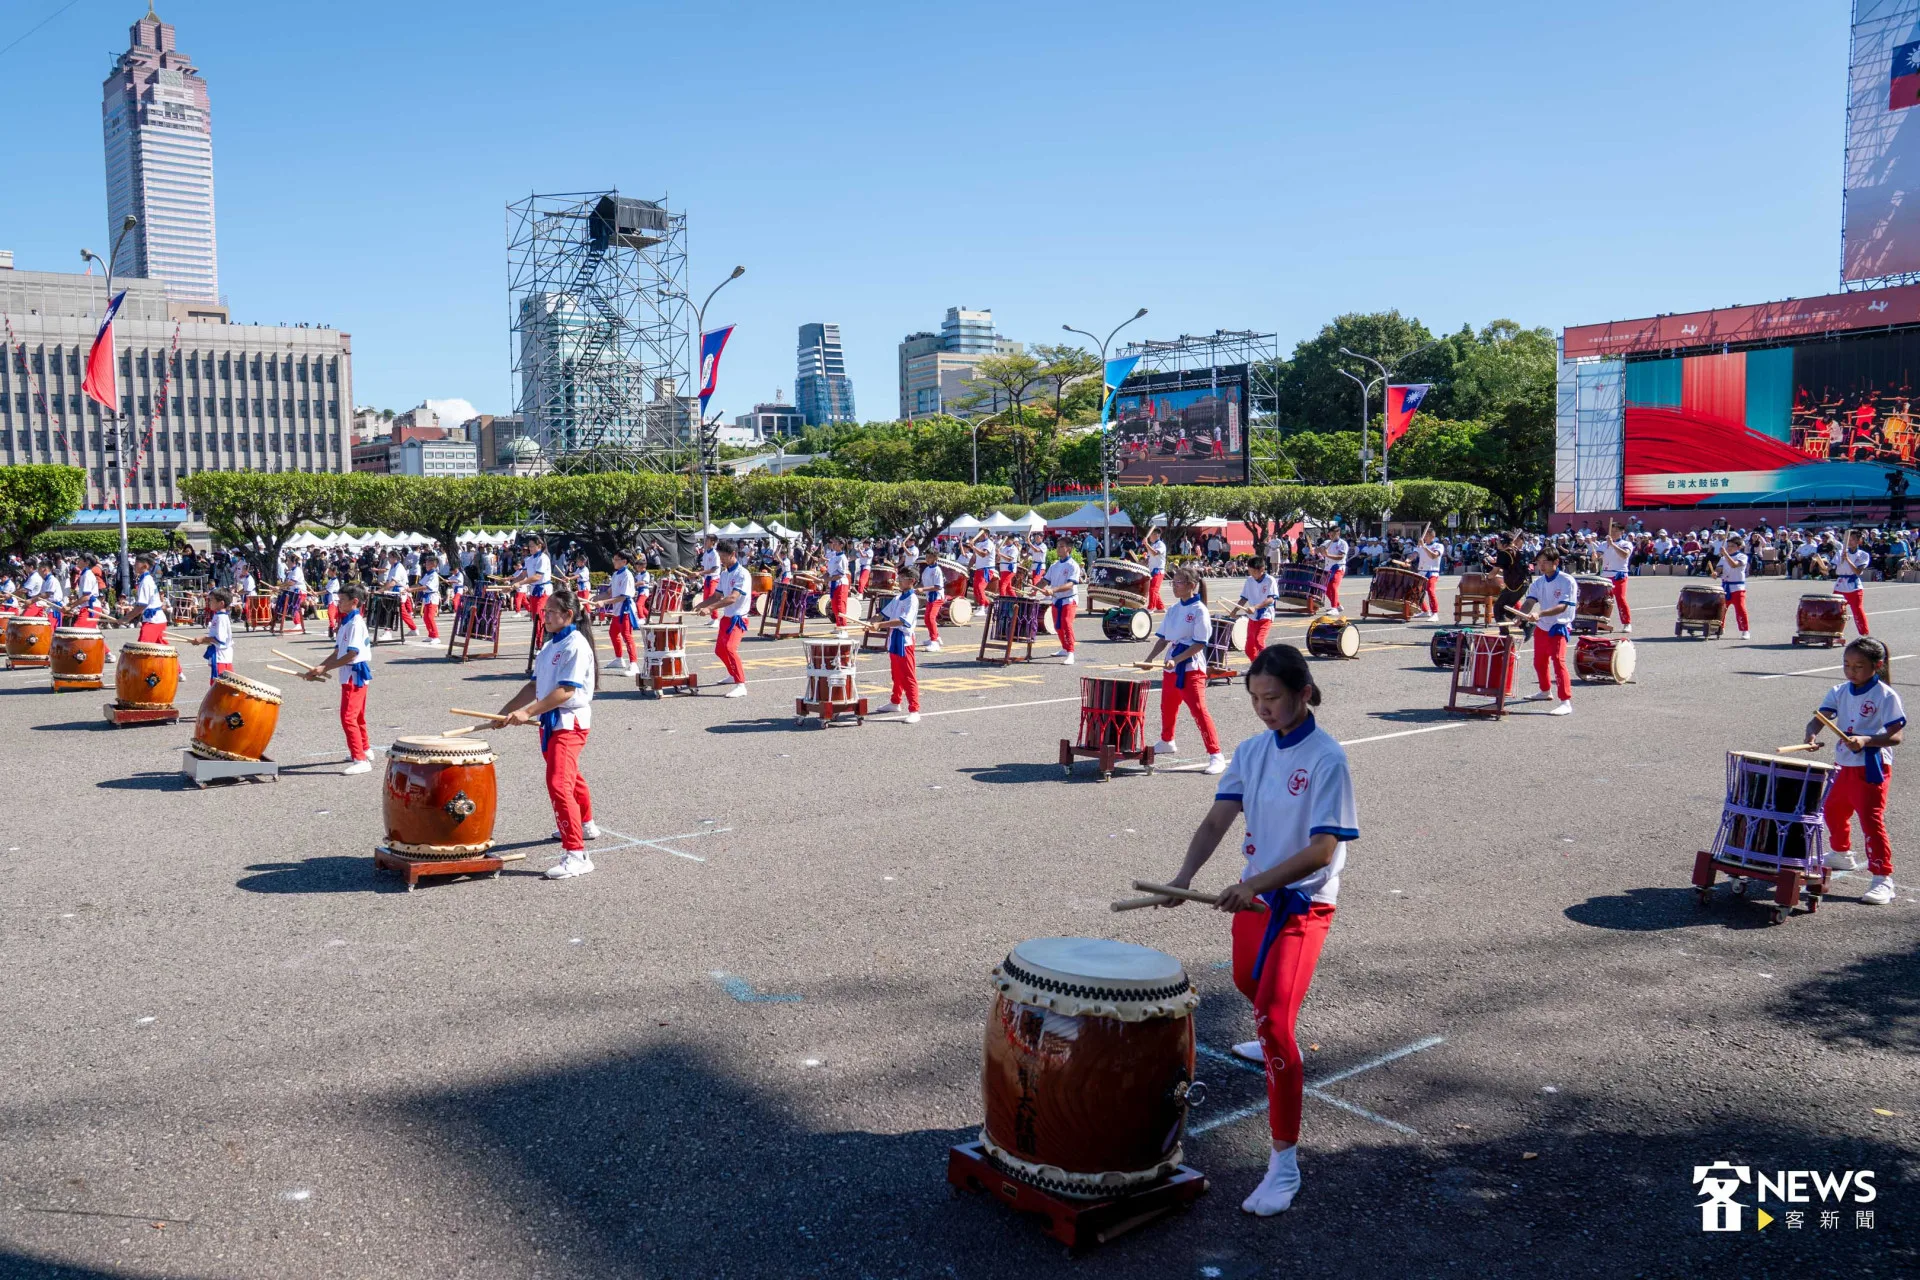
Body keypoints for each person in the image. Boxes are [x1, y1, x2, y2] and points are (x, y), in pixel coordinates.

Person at [1156, 644, 1356, 1216]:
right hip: (1256, 899)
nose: (1264, 709)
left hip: (1301, 905)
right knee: (1248, 980)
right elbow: (1218, 818)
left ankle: (1284, 1164)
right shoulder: (1251, 750)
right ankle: (1270, 1034)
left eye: (1273, 698)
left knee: (1272, 1017)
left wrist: (1258, 884)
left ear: (1304, 692)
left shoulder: (1327, 759)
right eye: (1254, 699)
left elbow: (1322, 851)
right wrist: (1183, 877)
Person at [499, 587, 601, 879]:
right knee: (571, 777)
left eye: (550, 612)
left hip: (569, 722)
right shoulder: (549, 645)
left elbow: (566, 691)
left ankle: (577, 854)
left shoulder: (576, 645)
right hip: (552, 722)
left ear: (568, 615)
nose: (544, 616)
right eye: (544, 611)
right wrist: (505, 712)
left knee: (558, 782)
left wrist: (528, 712)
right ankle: (586, 824)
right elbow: (534, 686)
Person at [1807, 637, 1904, 905]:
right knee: (1833, 810)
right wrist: (1811, 735)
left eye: (1858, 666)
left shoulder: (1885, 695)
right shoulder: (1839, 690)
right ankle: (1841, 853)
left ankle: (1883, 878)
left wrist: (1866, 740)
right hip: (1843, 765)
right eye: (1847, 664)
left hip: (1872, 765)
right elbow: (1820, 718)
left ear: (1877, 665)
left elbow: (1896, 737)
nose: (1851, 671)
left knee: (1871, 821)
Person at [1142, 564, 1226, 774]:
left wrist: (1177, 659)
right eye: (1173, 582)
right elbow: (1163, 639)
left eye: (1178, 582)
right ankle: (1167, 740)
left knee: (1199, 711)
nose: (1174, 586)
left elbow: (1199, 643)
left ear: (1192, 585)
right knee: (1167, 706)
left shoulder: (1199, 610)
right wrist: (1149, 659)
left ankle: (1216, 754)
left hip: (1191, 667)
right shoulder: (1174, 609)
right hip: (1173, 664)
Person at [303, 584, 374, 774]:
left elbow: (352, 654)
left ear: (354, 602)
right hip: (349, 673)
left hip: (355, 674)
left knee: (348, 717)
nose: (338, 603)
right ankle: (365, 749)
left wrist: (324, 668)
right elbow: (337, 652)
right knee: (357, 716)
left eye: (342, 600)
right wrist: (319, 667)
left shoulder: (355, 624)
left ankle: (360, 760)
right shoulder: (346, 622)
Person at [1517, 548, 1577, 715]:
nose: (1541, 566)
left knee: (1558, 661)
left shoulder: (1567, 581)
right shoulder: (1539, 582)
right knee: (1539, 661)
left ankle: (1566, 701)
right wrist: (1521, 616)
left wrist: (1540, 613)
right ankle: (1545, 691)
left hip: (1560, 624)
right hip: (1543, 625)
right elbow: (1529, 601)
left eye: (1545, 562)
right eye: (1539, 562)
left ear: (1556, 563)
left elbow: (1563, 606)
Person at [874, 562, 921, 722]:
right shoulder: (898, 597)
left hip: (904, 641)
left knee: (908, 676)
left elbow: (902, 621)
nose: (898, 581)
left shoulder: (912, 600)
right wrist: (873, 621)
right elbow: (883, 614)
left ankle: (914, 710)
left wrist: (880, 625)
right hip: (894, 639)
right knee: (896, 674)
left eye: (902, 578)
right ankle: (895, 701)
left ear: (912, 581)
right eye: (899, 578)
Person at [708, 540, 753, 697]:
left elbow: (733, 598)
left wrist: (710, 608)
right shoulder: (725, 573)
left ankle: (741, 685)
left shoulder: (742, 574)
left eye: (723, 556)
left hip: (738, 618)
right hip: (727, 617)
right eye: (719, 556)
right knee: (719, 650)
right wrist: (701, 605)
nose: (721, 559)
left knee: (729, 648)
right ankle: (732, 674)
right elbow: (717, 596)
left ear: (733, 554)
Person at [1040, 537, 1082, 666]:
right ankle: (1064, 648)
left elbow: (1070, 584)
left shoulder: (1073, 565)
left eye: (1061, 546)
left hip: (1069, 599)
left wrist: (1053, 590)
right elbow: (1044, 581)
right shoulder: (1054, 565)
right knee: (1057, 627)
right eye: (1057, 546)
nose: (1058, 548)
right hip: (1057, 599)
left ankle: (1071, 653)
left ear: (1068, 549)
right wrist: (1033, 589)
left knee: (1066, 624)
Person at [602, 549, 642, 674]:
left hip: (625, 610)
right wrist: (596, 598)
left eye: (616, 559)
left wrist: (604, 602)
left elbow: (623, 596)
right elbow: (609, 592)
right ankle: (619, 659)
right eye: (613, 559)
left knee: (626, 635)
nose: (613, 561)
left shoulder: (627, 575)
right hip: (617, 609)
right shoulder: (616, 574)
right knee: (613, 633)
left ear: (624, 562)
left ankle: (633, 664)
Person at [183, 588, 234, 682]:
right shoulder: (218, 615)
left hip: (221, 657)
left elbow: (219, 639)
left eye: (212, 600)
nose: (209, 602)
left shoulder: (221, 618)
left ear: (221, 603)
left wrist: (202, 639)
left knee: (219, 686)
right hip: (220, 657)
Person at [1237, 557, 1278, 659]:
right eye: (1250, 571)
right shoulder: (1249, 580)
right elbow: (1244, 598)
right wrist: (1234, 610)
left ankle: (1270, 665)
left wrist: (1255, 607)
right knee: (1249, 648)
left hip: (1266, 615)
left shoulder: (1270, 580)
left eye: (1254, 572)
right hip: (1252, 617)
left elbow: (1271, 599)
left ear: (1262, 569)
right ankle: (1257, 667)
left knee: (1259, 641)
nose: (1251, 574)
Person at [1835, 529, 1872, 636]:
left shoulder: (1863, 555)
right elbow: (1829, 568)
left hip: (1854, 586)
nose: (1850, 542)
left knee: (1857, 611)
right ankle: (1834, 632)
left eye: (1853, 540)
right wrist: (1821, 563)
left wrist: (1847, 559)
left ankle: (1864, 634)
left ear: (1859, 541)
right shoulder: (1839, 553)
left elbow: (1858, 571)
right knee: (1835, 611)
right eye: (1848, 540)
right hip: (1840, 585)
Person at [125, 555, 169, 643]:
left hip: (153, 621)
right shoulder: (147, 579)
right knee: (160, 652)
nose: (134, 566)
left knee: (142, 651)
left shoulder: (145, 581)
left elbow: (141, 606)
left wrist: (126, 618)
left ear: (145, 566)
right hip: (156, 619)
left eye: (136, 563)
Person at [1718, 535, 1751, 640]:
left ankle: (1745, 630)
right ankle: (1719, 627)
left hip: (1737, 587)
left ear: (1739, 547)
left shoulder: (1742, 557)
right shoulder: (1723, 557)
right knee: (1721, 609)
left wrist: (1725, 554)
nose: (1729, 547)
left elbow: (1734, 565)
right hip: (1725, 587)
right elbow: (1719, 567)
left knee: (1740, 609)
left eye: (1732, 546)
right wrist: (1715, 572)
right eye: (1728, 546)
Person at [824, 536, 853, 638]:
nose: (833, 544)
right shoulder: (834, 556)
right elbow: (828, 572)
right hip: (833, 583)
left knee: (840, 606)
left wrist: (827, 579)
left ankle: (844, 629)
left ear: (841, 545)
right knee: (835, 606)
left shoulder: (842, 558)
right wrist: (821, 578)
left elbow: (841, 574)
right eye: (833, 543)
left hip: (840, 583)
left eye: (836, 543)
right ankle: (838, 626)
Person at [919, 553, 947, 654]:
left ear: (935, 558)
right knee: (926, 619)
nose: (927, 559)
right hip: (929, 597)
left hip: (937, 596)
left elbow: (938, 586)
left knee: (931, 617)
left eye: (930, 557)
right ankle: (935, 636)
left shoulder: (937, 570)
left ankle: (934, 642)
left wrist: (922, 589)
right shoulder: (927, 569)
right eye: (926, 557)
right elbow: (924, 583)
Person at [1414, 527, 1445, 620]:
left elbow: (1433, 556)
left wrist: (1424, 546)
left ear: (1432, 536)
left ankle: (1435, 613)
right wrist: (1407, 560)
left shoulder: (1439, 546)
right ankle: (1425, 611)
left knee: (1430, 590)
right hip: (1421, 572)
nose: (1424, 537)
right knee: (1416, 592)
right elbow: (1414, 554)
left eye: (1426, 535)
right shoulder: (1420, 546)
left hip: (1432, 572)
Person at [1319, 530, 1350, 613]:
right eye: (1330, 534)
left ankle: (1334, 608)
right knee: (1325, 589)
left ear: (1338, 533)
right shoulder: (1327, 542)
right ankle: (1338, 605)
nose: (1331, 536)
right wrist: (1316, 551)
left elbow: (1340, 556)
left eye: (1333, 535)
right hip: (1327, 568)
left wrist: (1327, 555)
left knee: (1333, 586)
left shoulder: (1343, 543)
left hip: (1338, 567)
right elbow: (1320, 549)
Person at [698, 534, 723, 625]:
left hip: (714, 578)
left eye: (707, 540)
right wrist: (696, 573)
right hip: (707, 579)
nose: (705, 542)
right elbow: (704, 567)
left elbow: (714, 569)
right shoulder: (706, 553)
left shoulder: (715, 554)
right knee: (706, 598)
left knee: (713, 598)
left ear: (712, 542)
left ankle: (716, 619)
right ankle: (713, 617)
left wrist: (700, 573)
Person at [1142, 527, 1168, 611]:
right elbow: (1149, 558)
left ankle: (1151, 608)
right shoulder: (1153, 545)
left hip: (1158, 570)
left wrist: (1146, 544)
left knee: (1153, 589)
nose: (1149, 537)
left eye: (1151, 535)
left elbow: (1155, 553)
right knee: (1153, 589)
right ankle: (1161, 607)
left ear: (1157, 535)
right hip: (1152, 570)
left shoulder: (1161, 544)